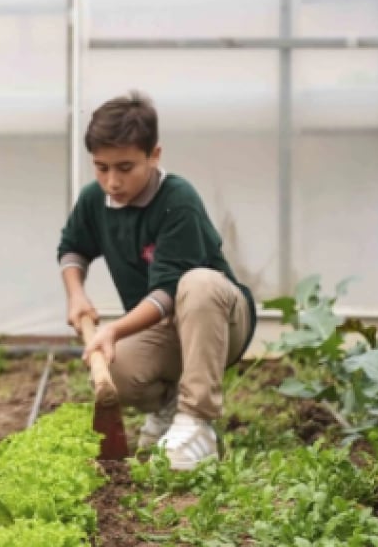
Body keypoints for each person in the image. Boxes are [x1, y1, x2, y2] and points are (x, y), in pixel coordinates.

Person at [58, 91, 256, 471]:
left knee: (197, 283)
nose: (112, 181)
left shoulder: (176, 200)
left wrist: (113, 330)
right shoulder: (94, 200)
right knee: (115, 371)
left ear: (155, 155)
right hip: (165, 327)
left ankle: (198, 421)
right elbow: (72, 249)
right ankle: (169, 409)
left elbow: (168, 292)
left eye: (125, 167)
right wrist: (77, 295)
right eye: (101, 167)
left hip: (220, 321)